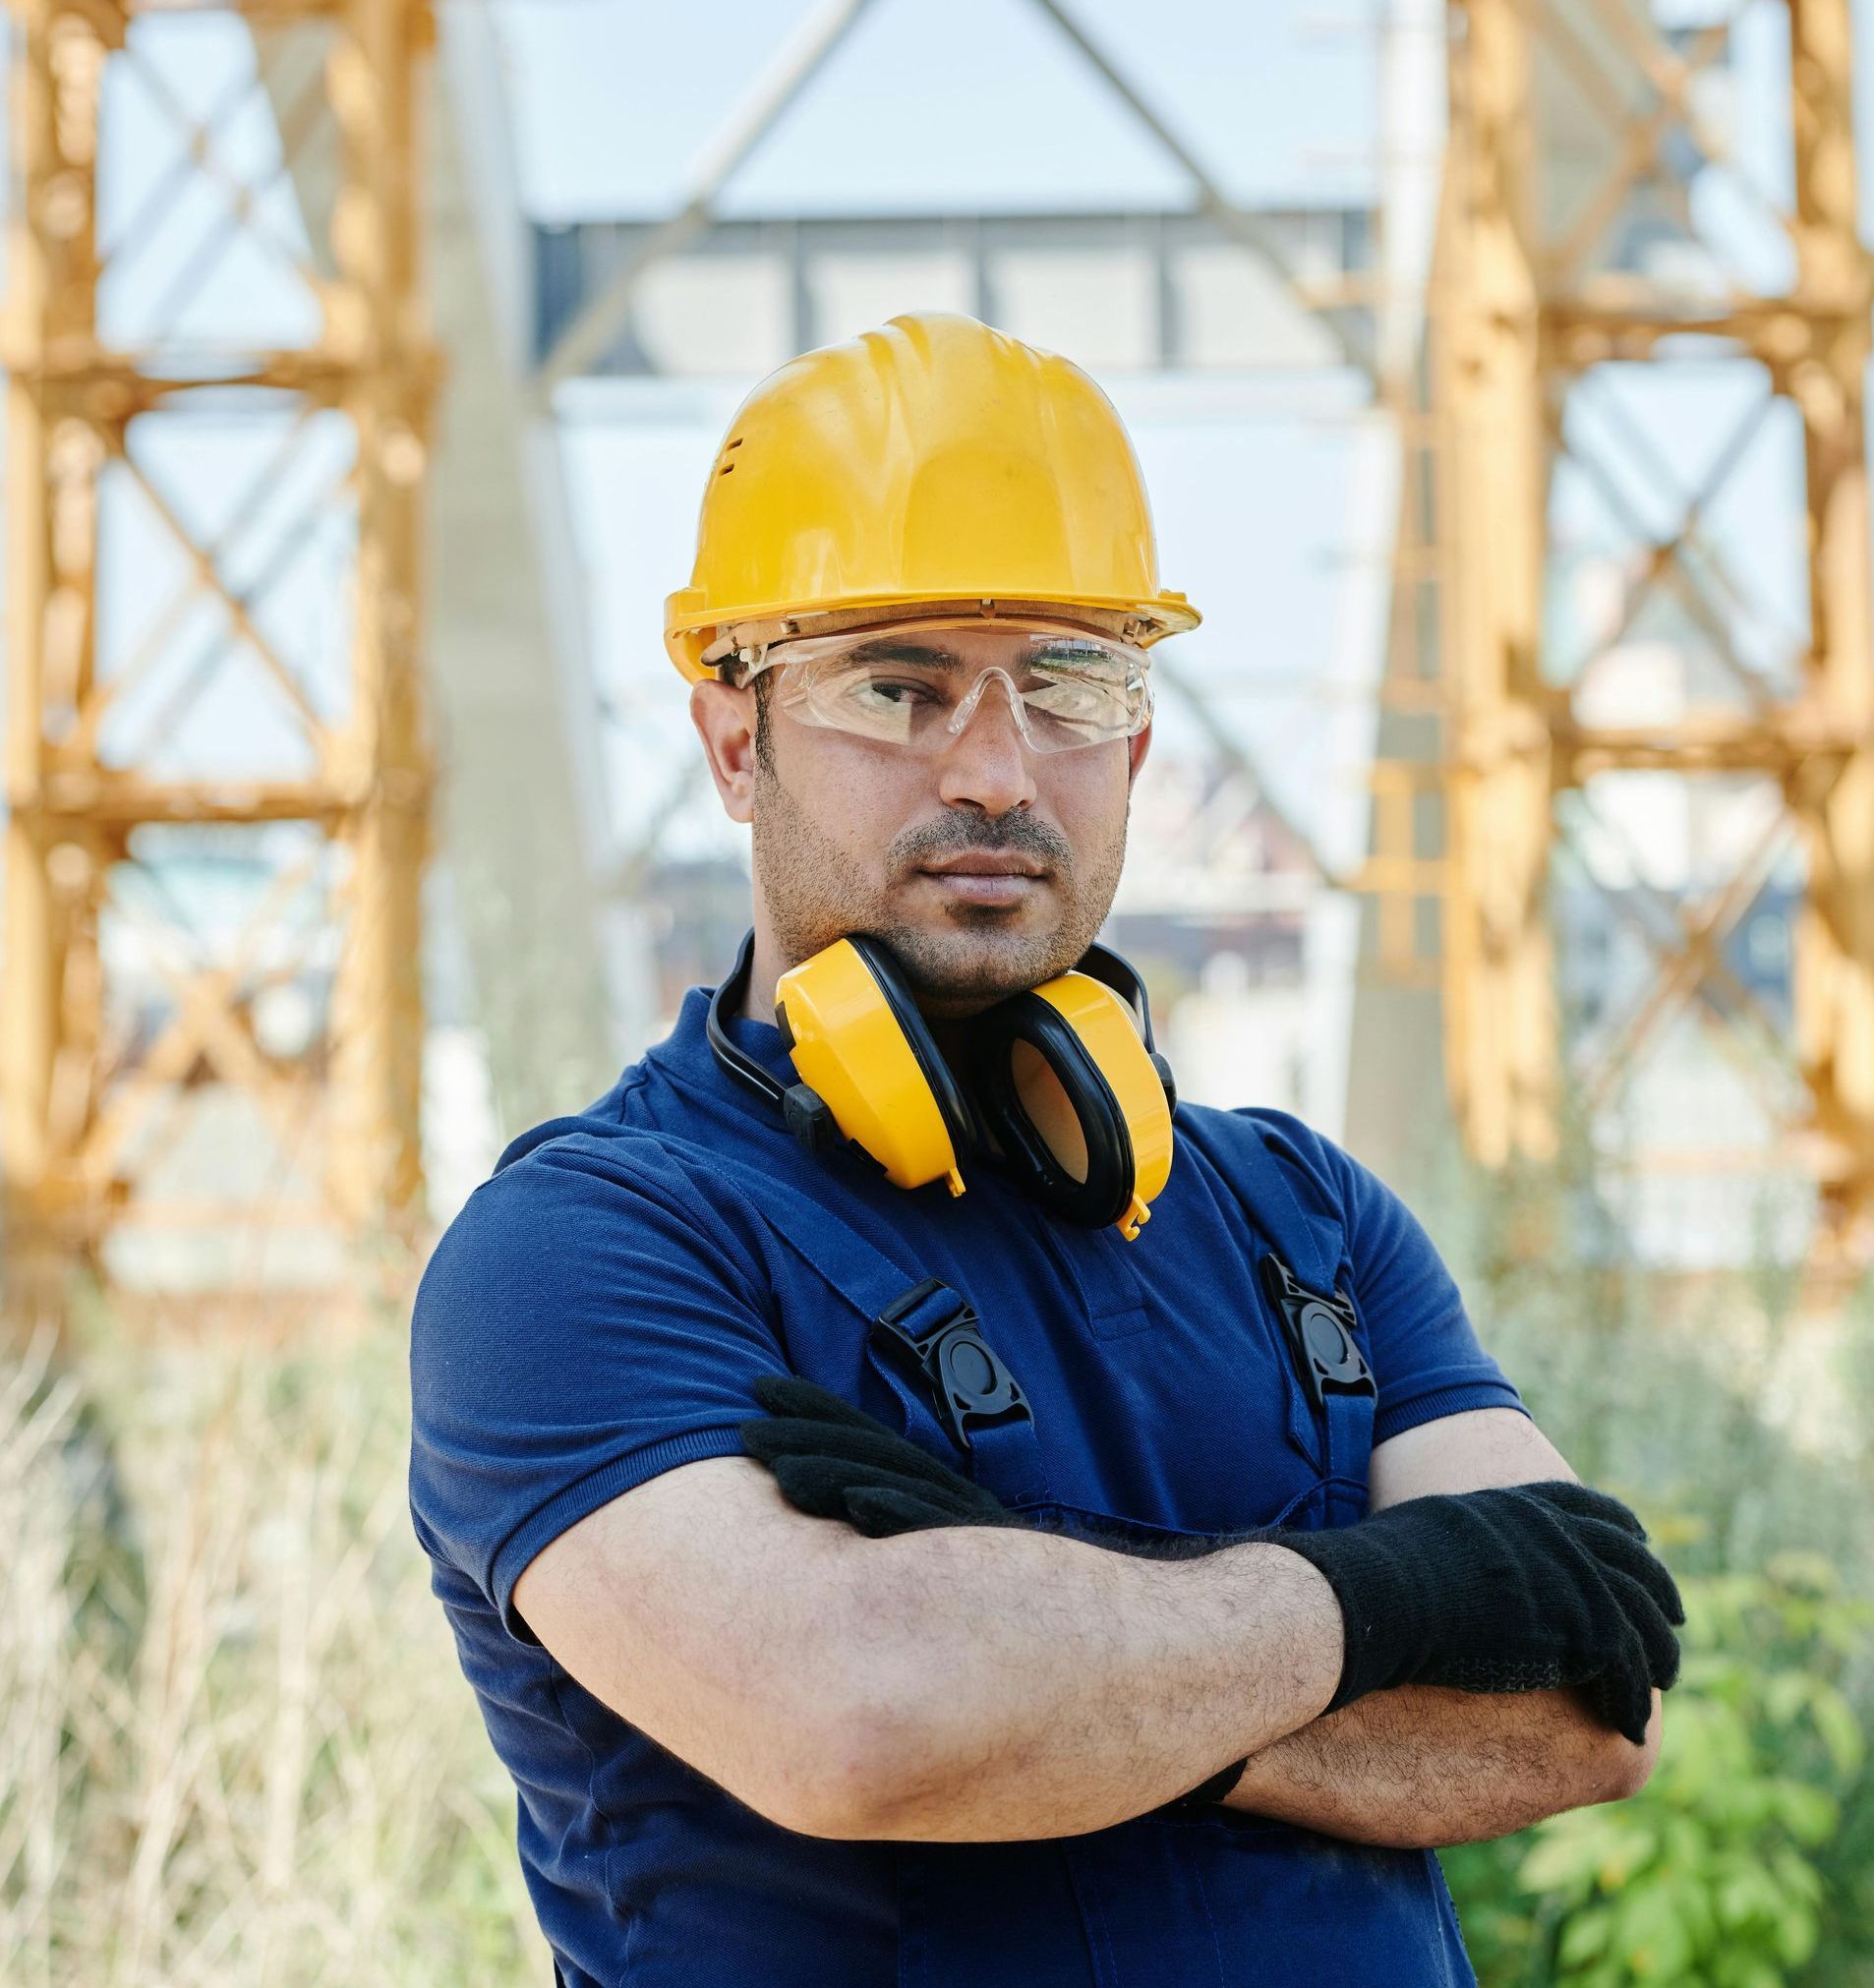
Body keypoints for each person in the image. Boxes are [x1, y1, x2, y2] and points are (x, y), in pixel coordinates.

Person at [409, 311, 1681, 1988]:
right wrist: (1401, 1599)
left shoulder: (1309, 1218)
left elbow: (1591, 1708)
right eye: (897, 683)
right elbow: (862, 1720)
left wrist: (1041, 1636)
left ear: (1138, 745)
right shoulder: (583, 1249)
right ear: (736, 739)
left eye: (1071, 682)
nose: (999, 769)